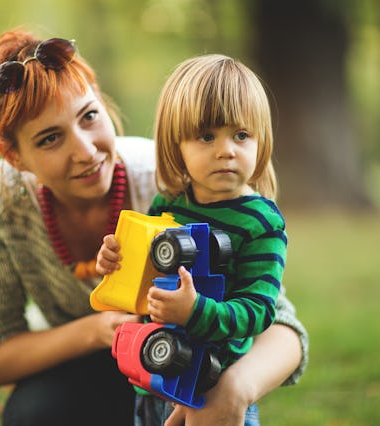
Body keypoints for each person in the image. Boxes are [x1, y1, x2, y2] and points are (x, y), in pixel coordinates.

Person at [0, 28, 308, 426]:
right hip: (90, 365)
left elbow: (279, 320)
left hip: (189, 362)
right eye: (50, 138)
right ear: (14, 156)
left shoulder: (176, 179)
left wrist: (235, 389)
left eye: (89, 116)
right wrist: (100, 328)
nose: (86, 151)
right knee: (33, 414)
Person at [96, 54, 292, 425]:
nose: (226, 150)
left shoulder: (261, 223)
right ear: (176, 145)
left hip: (212, 394)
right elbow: (144, 282)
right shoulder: (168, 204)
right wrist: (116, 265)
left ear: (261, 141)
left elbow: (258, 311)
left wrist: (194, 312)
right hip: (152, 378)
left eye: (241, 135)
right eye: (206, 136)